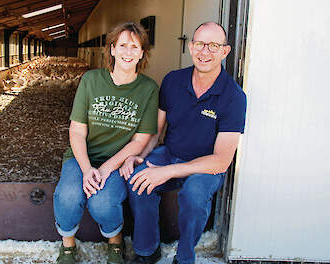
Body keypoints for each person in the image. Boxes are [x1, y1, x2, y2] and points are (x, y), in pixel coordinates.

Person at [120, 22, 247, 264]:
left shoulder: (234, 97)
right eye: (199, 44)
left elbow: (221, 161)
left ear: (225, 51)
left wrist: (168, 171)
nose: (205, 52)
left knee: (195, 195)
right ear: (190, 47)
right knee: (139, 178)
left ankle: (185, 255)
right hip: (170, 153)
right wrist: (141, 155)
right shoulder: (173, 81)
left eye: (213, 46)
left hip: (205, 166)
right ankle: (147, 251)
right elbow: (156, 132)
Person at [53, 21, 159, 264]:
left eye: (135, 46)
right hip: (81, 157)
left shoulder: (148, 89)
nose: (128, 52)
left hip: (118, 162)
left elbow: (140, 140)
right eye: (122, 45)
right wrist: (87, 168)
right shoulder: (91, 80)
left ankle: (115, 241)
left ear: (142, 52)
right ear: (112, 49)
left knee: (102, 202)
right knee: (68, 196)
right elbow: (77, 131)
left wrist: (104, 169)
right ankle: (68, 247)